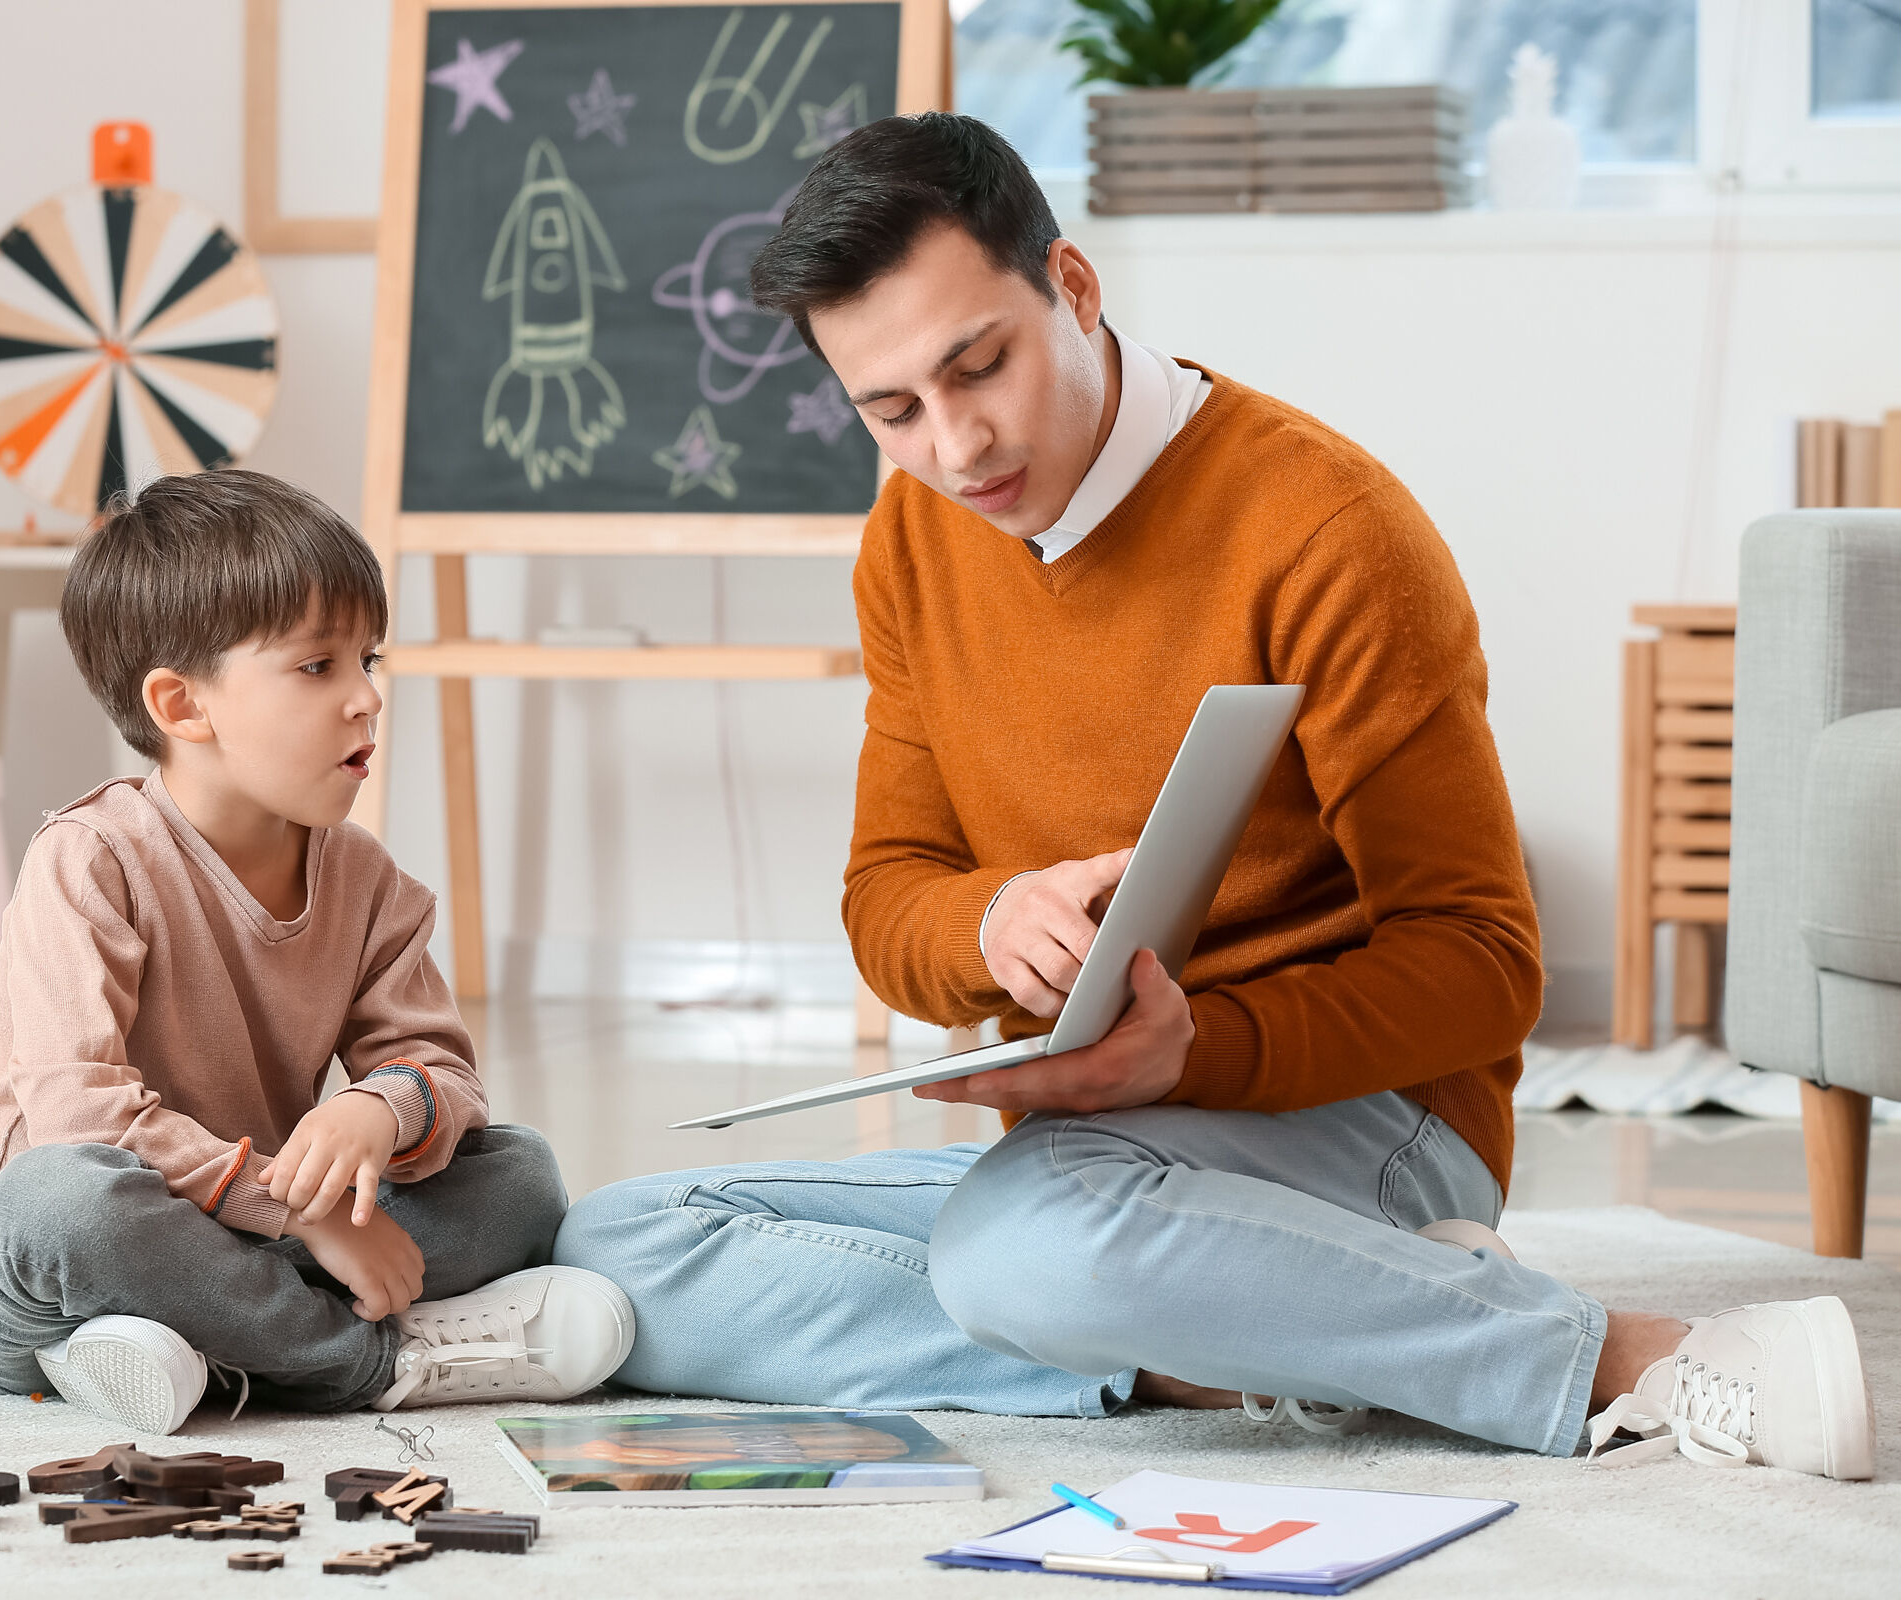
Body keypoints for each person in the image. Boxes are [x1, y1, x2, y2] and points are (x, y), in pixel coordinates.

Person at [553, 115, 1874, 1479]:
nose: (955, 448)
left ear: (1071, 286)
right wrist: (992, 919)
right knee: (627, 1244)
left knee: (1018, 1245)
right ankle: (1265, 1331)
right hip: (1101, 1155)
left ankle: (1618, 1364)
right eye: (892, 412)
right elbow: (888, 894)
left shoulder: (1326, 529)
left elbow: (1485, 966)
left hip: (1370, 1122)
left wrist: (1198, 1053)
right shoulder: (914, 537)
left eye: (979, 366)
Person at [0, 470, 634, 1434]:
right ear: (182, 706)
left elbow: (442, 1074)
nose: (365, 700)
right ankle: (368, 1362)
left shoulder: (367, 879)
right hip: (33, 1272)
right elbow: (77, 1116)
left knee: (518, 1177)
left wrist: (375, 1113)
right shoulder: (89, 858)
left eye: (368, 660)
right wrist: (303, 1211)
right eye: (317, 668)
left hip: (235, 1234)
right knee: (64, 1202)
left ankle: (196, 1346)